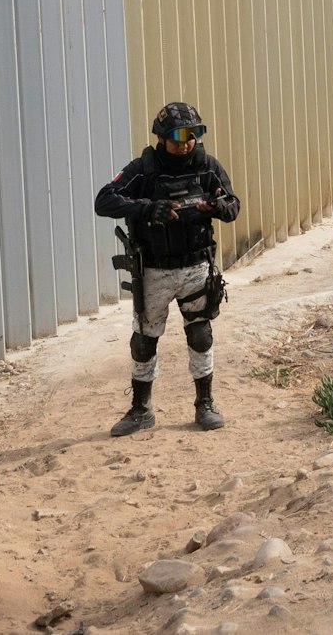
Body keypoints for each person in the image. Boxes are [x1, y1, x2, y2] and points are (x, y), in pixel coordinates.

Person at [96, 102, 240, 436]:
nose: (186, 142)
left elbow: (233, 206)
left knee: (200, 334)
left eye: (194, 134)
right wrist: (148, 208)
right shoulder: (142, 170)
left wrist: (217, 206)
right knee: (143, 342)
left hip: (195, 268)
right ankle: (140, 410)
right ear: (162, 138)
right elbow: (104, 201)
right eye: (178, 135)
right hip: (154, 272)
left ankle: (205, 404)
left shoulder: (207, 167)